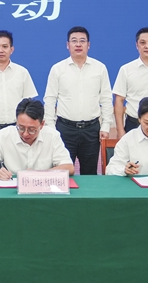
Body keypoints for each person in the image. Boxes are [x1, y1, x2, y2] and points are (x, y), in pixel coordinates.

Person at [43, 26, 112, 175]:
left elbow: (106, 99)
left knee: (90, 174)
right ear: (68, 45)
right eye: (74, 41)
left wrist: (106, 126)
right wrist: (51, 127)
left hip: (91, 130)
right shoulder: (58, 69)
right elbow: (50, 99)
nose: (78, 44)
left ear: (89, 44)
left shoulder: (100, 68)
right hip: (64, 129)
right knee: (61, 173)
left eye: (82, 41)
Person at [0, 99, 74, 179]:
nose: (25, 134)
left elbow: (69, 167)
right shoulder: (3, 135)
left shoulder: (52, 136)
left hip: (43, 188)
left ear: (42, 124)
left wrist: (39, 174)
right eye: (21, 128)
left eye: (31, 130)